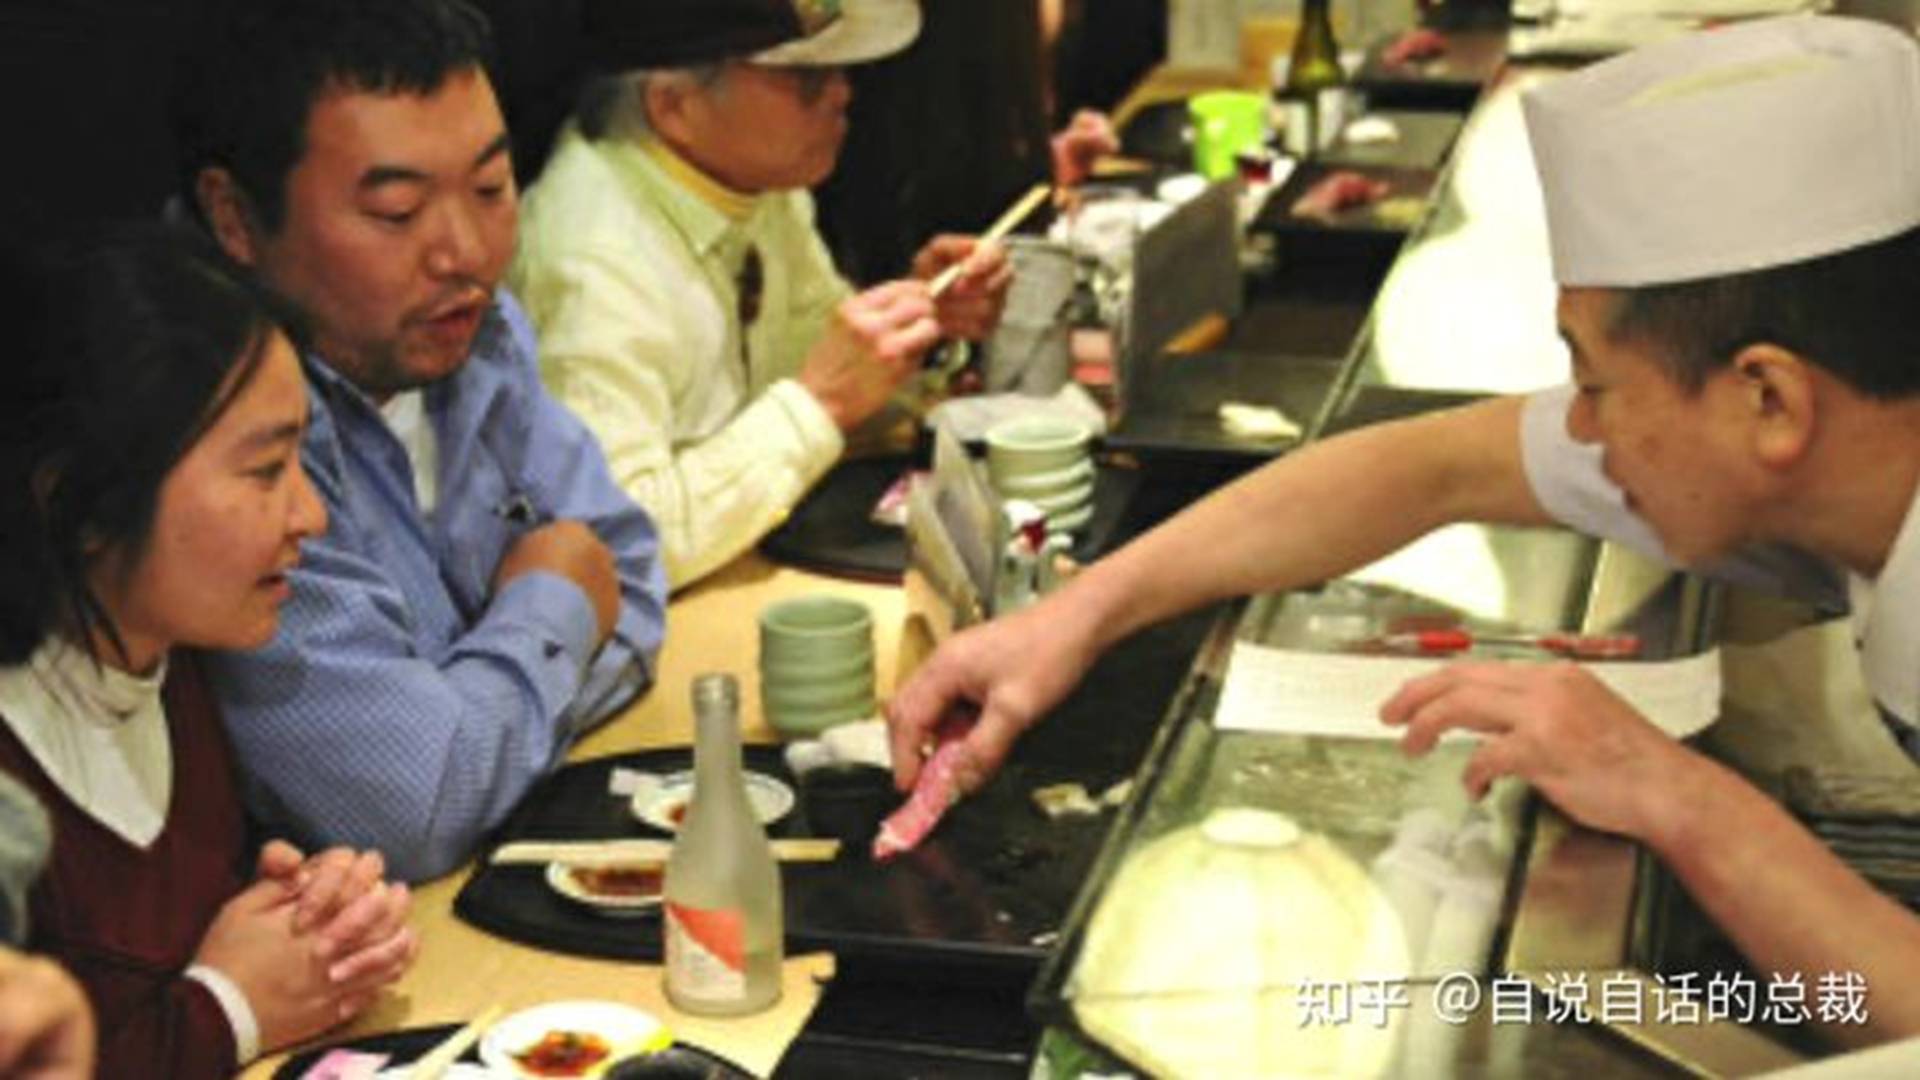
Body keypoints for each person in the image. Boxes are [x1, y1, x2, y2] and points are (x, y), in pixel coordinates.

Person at [890, 15, 1920, 1046]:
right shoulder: (1813, 443)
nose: (1576, 425)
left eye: (1596, 382)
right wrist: (1072, 616)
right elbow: (1433, 466)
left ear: (1770, 401)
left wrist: (1673, 792)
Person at [173, 0, 669, 881]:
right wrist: (554, 603)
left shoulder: (474, 333)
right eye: (397, 212)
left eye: (491, 188)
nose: (465, 254)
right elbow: (409, 809)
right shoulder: (226, 431)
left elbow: (630, 577)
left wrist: (471, 717)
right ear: (236, 218)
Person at [0, 224, 417, 1077]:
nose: (311, 516)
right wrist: (226, 1010)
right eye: (265, 472)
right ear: (83, 500)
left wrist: (305, 917)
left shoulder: (175, 656)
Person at [508, 0, 1011, 589]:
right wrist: (820, 403)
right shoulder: (590, 260)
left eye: (840, 69)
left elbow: (831, 379)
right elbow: (607, 547)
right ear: (673, 105)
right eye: (805, 77)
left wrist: (925, 325)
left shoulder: (756, 182)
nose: (842, 92)